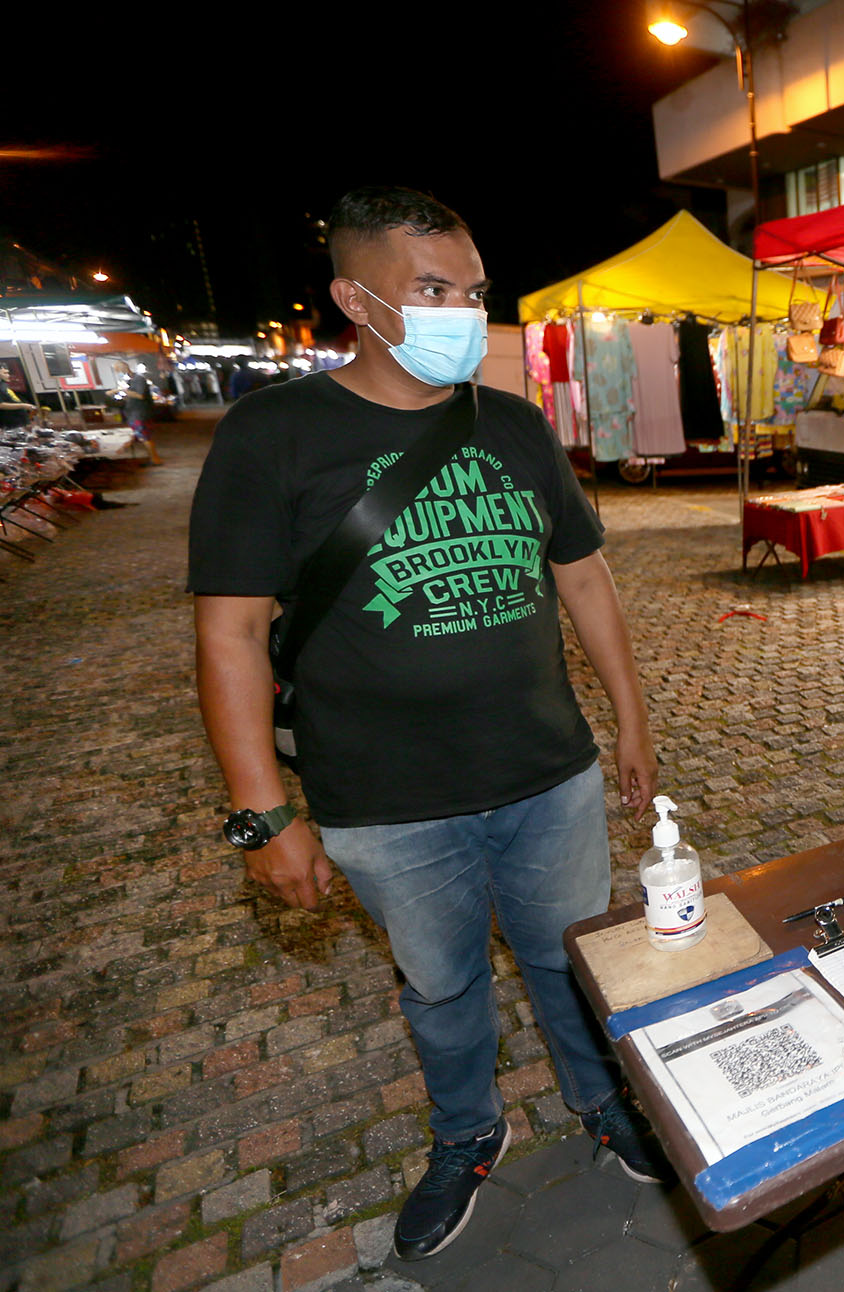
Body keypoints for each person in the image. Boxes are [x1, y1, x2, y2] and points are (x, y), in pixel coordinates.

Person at [188, 186, 668, 1263]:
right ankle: (466, 1131)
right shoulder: (276, 435)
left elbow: (583, 578)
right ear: (355, 299)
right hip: (385, 798)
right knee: (442, 982)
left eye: (475, 290)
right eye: (434, 288)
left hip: (548, 771)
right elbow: (230, 632)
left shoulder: (511, 423)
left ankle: (601, 1103)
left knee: (569, 961)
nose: (463, 308)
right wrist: (264, 815)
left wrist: (630, 722)